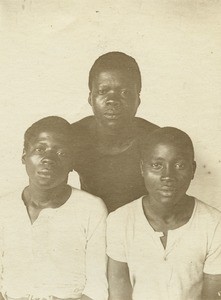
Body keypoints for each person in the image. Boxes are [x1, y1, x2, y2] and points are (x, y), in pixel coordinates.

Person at [107, 127, 221, 300]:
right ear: (142, 169)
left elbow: (211, 296)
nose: (168, 175)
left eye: (179, 165)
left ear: (193, 169)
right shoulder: (120, 220)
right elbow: (119, 291)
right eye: (157, 165)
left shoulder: (214, 223)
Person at [0, 116, 108, 300]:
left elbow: (96, 288)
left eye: (61, 153)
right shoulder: (5, 207)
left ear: (73, 162)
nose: (48, 159)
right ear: (24, 155)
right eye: (40, 149)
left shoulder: (90, 209)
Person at [71, 51, 158, 212]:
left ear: (137, 100)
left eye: (124, 92)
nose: (113, 101)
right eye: (103, 91)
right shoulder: (74, 136)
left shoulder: (156, 141)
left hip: (140, 226)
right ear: (90, 98)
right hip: (91, 223)